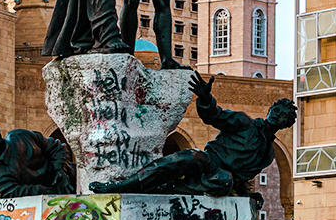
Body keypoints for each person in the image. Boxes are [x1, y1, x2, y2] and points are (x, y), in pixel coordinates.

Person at [90, 73, 296, 197]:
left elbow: (241, 178)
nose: (276, 115)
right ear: (270, 110)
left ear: (285, 124)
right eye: (276, 110)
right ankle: (123, 186)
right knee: (191, 157)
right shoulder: (244, 123)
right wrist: (205, 98)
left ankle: (164, 192)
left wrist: (248, 195)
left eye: (282, 116)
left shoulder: (267, 154)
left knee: (225, 180)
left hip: (221, 178)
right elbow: (214, 116)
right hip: (210, 161)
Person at [0, 120, 74, 198]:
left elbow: (57, 148)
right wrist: (60, 174)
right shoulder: (19, 135)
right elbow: (57, 148)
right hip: (65, 187)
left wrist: (60, 172)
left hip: (65, 186)